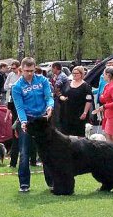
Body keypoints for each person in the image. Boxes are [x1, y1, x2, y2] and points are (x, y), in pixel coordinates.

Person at [11, 57, 54, 193]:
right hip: (27, 120)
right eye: (26, 71)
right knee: (24, 152)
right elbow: (19, 107)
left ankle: (52, 181)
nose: (29, 73)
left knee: (48, 151)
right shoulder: (17, 87)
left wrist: (50, 107)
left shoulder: (43, 80)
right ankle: (24, 184)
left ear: (35, 68)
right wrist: (23, 122)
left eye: (32, 70)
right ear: (21, 70)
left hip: (43, 118)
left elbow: (49, 97)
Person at [58, 66, 93, 137]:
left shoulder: (85, 86)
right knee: (66, 134)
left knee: (79, 134)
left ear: (81, 74)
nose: (74, 75)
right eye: (73, 73)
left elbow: (89, 100)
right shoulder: (68, 83)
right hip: (67, 113)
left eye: (77, 73)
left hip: (79, 113)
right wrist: (61, 97)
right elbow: (61, 93)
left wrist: (85, 112)